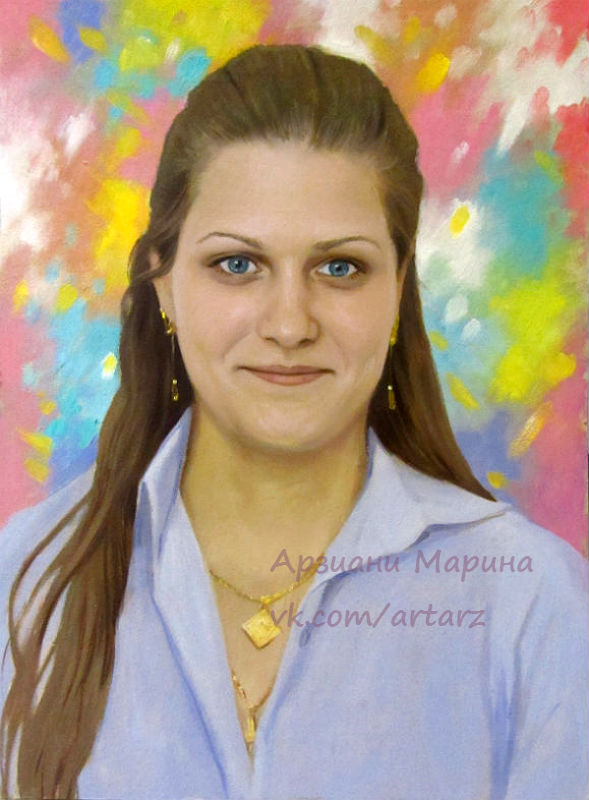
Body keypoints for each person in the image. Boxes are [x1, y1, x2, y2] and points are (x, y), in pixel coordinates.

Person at [0, 43, 587, 800]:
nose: (288, 324)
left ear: (397, 289)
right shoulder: (22, 580)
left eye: (339, 267)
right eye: (237, 264)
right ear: (164, 285)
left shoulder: (533, 602)